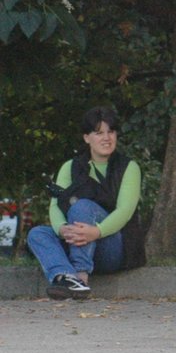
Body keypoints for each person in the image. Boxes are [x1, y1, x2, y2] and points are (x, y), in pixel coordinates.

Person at [30, 106, 147, 299]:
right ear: (87, 138)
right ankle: (66, 277)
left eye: (111, 132)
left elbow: (125, 212)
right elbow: (56, 205)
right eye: (98, 132)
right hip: (78, 240)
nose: (106, 138)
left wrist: (96, 231)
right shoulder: (70, 167)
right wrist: (61, 229)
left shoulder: (129, 167)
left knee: (82, 207)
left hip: (112, 246)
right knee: (38, 234)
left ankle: (81, 276)